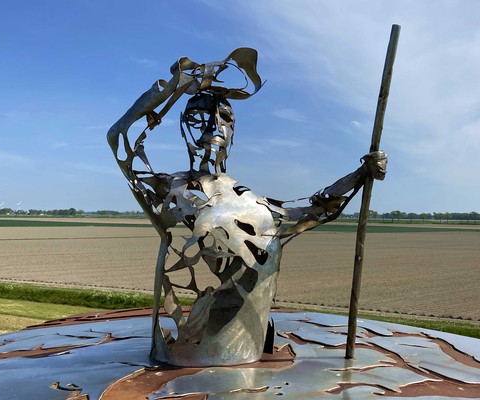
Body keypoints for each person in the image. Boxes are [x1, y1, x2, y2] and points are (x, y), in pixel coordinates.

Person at [107, 48, 386, 366]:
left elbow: (313, 209)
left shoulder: (252, 202)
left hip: (246, 352)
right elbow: (117, 135)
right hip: (179, 357)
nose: (210, 131)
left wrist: (361, 174)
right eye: (198, 121)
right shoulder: (167, 189)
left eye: (222, 121)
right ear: (184, 128)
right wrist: (172, 89)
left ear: (232, 132)